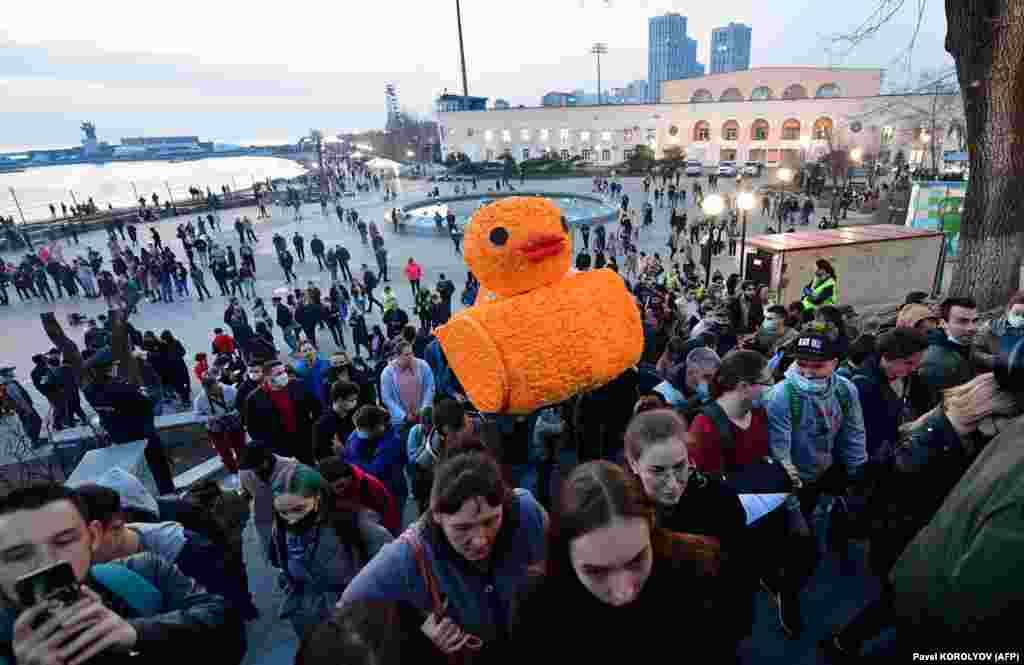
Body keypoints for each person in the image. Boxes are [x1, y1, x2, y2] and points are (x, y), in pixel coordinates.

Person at [0, 484, 246, 665]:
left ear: (93, 536)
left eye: (65, 541)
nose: (47, 562)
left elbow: (231, 632)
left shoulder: (146, 572)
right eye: (17, 555)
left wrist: (139, 634)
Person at [512, 460, 731, 662]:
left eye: (636, 560)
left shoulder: (701, 572)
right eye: (596, 572)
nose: (622, 593)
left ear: (652, 526)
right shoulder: (537, 607)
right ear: (565, 555)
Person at [340, 452, 548, 659]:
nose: (480, 541)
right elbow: (345, 613)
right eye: (462, 527)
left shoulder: (526, 513)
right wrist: (415, 638)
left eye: (490, 521)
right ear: (436, 516)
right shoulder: (408, 554)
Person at [763, 324, 866, 637]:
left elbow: (853, 433)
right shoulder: (782, 396)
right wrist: (793, 507)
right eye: (802, 364)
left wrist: (857, 474)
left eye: (817, 366)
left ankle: (778, 573)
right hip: (793, 484)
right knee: (799, 545)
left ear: (836, 362)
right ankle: (786, 591)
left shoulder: (845, 390)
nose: (807, 373)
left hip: (824, 474)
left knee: (805, 539)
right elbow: (780, 457)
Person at [622, 410, 752, 651]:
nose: (672, 484)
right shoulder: (621, 515)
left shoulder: (719, 499)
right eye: (658, 471)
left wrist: (735, 626)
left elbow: (740, 567)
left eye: (680, 466)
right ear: (633, 464)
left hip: (715, 632)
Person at [74, 483, 258, 623]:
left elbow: (218, 615)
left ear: (115, 527)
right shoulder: (105, 565)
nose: (79, 551)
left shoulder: (189, 552)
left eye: (88, 538)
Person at [269, 463, 393, 638]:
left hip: (358, 623)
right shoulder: (280, 530)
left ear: (319, 499)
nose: (291, 520)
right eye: (283, 512)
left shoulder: (356, 523)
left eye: (298, 509)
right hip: (312, 626)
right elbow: (285, 568)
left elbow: (392, 570)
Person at [82, 350, 176, 495]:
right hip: (142, 432)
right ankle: (167, 492)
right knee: (158, 465)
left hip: (118, 435)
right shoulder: (120, 387)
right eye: (113, 366)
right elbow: (146, 404)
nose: (115, 368)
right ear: (107, 368)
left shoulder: (89, 390)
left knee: (130, 470)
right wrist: (150, 395)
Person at [849, 328, 928, 466]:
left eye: (917, 362)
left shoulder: (903, 375)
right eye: (909, 363)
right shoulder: (862, 387)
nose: (914, 368)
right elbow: (867, 439)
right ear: (886, 356)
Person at [688, 350, 773, 475]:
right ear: (744, 387)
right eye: (767, 383)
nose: (772, 387)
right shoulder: (705, 425)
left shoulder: (759, 414)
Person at [244, 359, 324, 464]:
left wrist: (316, 430)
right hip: (280, 448)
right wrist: (269, 448)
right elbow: (254, 429)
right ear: (267, 377)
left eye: (284, 371)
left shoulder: (297, 385)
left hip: (305, 440)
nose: (284, 375)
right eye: (279, 373)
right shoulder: (254, 399)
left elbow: (316, 407)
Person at [912, 296, 980, 416]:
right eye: (962, 321)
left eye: (974, 321)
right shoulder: (935, 363)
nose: (972, 328)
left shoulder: (964, 345)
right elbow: (936, 412)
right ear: (943, 323)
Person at [340, 406, 408, 515]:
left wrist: (347, 458)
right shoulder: (362, 428)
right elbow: (351, 445)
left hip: (391, 494)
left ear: (378, 427)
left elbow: (374, 471)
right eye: (357, 429)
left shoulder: (392, 444)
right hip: (369, 495)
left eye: (362, 430)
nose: (358, 433)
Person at [238, 440, 298, 556]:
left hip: (291, 516)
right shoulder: (244, 471)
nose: (252, 470)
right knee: (274, 552)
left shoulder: (290, 466)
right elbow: (246, 493)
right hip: (265, 517)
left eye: (254, 466)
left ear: (266, 461)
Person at [318, 457, 401, 537]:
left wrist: (391, 539)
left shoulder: (370, 484)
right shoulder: (324, 493)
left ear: (349, 475)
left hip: (374, 534)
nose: (339, 491)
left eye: (341, 485)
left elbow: (389, 512)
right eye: (332, 486)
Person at [194, 376, 245, 477]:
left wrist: (234, 413)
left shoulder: (231, 391)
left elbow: (242, 404)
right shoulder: (200, 399)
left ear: (218, 384)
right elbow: (197, 417)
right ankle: (234, 473)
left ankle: (245, 470)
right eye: (210, 392)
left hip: (234, 426)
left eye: (215, 390)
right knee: (224, 454)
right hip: (216, 430)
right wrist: (210, 418)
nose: (213, 393)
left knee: (241, 450)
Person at [379, 342, 435, 430]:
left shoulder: (422, 365)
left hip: (423, 416)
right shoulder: (387, 373)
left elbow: (430, 387)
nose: (411, 357)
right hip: (401, 422)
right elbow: (387, 398)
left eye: (412, 353)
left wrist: (424, 409)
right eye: (407, 354)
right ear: (398, 356)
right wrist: (403, 415)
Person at [652, 346, 720, 412]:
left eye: (713, 377)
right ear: (690, 372)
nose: (710, 381)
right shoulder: (662, 394)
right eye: (707, 376)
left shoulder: (698, 393)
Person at [973, 289, 1024, 369]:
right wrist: (994, 361)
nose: (1020, 318)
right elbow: (974, 351)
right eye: (1017, 313)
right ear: (1008, 311)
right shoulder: (990, 328)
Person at [313, 380, 360, 461]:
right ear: (339, 400)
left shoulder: (356, 415)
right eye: (351, 400)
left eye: (356, 399)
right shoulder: (323, 424)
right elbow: (321, 456)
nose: (354, 403)